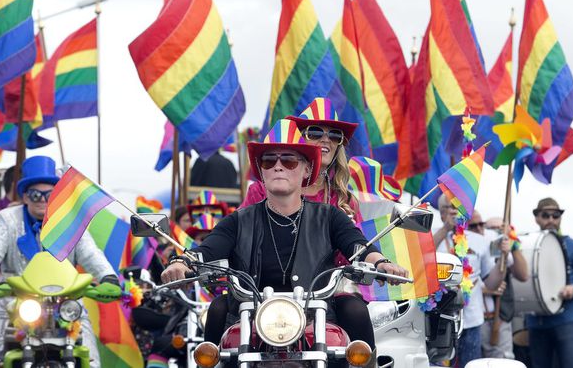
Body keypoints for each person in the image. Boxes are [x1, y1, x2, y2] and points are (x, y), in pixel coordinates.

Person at [162, 118, 409, 350]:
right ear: (261, 171)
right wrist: (183, 262)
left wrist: (382, 263)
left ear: (306, 170)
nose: (278, 166)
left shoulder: (330, 216)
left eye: (289, 161)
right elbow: (208, 249)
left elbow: (357, 246)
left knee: (355, 309)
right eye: (269, 161)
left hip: (317, 310)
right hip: (250, 311)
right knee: (216, 310)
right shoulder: (238, 220)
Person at [0, 156, 120, 368]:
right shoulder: (7, 219)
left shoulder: (71, 220)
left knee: (88, 346)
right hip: (16, 298)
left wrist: (108, 277)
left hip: (65, 298)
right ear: (25, 197)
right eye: (35, 194)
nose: (42, 199)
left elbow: (90, 252)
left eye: (49, 194)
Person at [241, 98, 376, 218]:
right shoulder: (261, 191)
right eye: (315, 132)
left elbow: (360, 245)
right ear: (298, 140)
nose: (326, 140)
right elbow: (238, 235)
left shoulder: (344, 201)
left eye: (335, 135)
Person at [433, 198, 506, 366]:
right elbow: (422, 257)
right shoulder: (430, 235)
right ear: (442, 213)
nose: (454, 212)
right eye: (449, 208)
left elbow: (491, 283)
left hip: (471, 321)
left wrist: (503, 258)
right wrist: (446, 229)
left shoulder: (480, 241)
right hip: (437, 321)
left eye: (457, 208)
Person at [526, 197, 573, 368]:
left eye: (556, 215)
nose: (551, 219)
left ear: (560, 218)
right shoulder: (528, 244)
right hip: (536, 322)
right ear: (537, 218)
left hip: (566, 321)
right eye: (546, 215)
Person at [472, 214, 529, 359]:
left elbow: (523, 275)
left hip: (498, 319)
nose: (497, 234)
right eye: (493, 229)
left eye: (500, 230)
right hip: (474, 320)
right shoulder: (471, 247)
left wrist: (513, 242)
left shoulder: (503, 252)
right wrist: (485, 289)